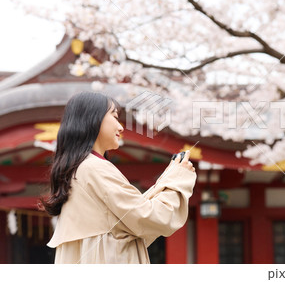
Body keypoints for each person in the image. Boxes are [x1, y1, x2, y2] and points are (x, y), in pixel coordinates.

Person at [40, 91, 197, 264]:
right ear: (93, 119)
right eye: (114, 116)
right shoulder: (95, 168)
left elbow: (131, 221)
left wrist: (169, 177)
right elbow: (151, 217)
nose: (121, 127)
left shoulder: (78, 169)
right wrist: (178, 179)